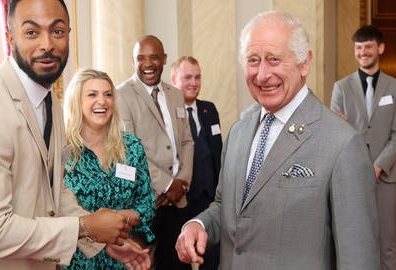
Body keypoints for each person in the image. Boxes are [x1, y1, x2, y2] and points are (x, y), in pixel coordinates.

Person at [0, 1, 146, 269]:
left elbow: (54, 192)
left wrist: (98, 238)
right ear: (9, 37)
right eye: (32, 32)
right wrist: (85, 227)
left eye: (57, 31)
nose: (47, 44)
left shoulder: (52, 105)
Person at [175, 11, 380, 269]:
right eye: (253, 60)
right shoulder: (238, 132)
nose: (261, 75)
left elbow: (358, 259)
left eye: (273, 59)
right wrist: (199, 224)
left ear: (304, 62)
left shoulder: (343, 143)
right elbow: (225, 205)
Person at [62, 68, 156, 269]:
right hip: (77, 261)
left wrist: (112, 221)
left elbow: (147, 204)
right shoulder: (62, 152)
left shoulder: (131, 147)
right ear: (76, 102)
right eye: (92, 95)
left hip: (124, 256)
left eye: (107, 94)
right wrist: (101, 223)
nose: (102, 101)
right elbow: (56, 212)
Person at [117, 35, 194, 269]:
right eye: (141, 58)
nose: (147, 64)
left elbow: (187, 142)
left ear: (164, 59)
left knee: (177, 264)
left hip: (177, 201)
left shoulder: (176, 94)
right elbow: (129, 151)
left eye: (153, 57)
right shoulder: (121, 95)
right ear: (133, 61)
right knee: (145, 265)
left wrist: (182, 182)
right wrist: (167, 185)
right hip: (145, 203)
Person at [331, 25, 396, 270]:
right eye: (358, 48)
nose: (363, 52)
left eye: (368, 47)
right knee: (353, 239)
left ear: (380, 48)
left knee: (387, 243)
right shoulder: (341, 88)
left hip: (386, 179)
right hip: (351, 176)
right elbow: (336, 133)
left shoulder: (395, 88)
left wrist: (379, 165)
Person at [170, 56, 222, 270]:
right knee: (180, 258)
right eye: (187, 77)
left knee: (212, 258)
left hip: (210, 199)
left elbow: (217, 152)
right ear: (174, 79)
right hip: (181, 200)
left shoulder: (209, 109)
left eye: (198, 77)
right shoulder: (168, 113)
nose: (194, 82)